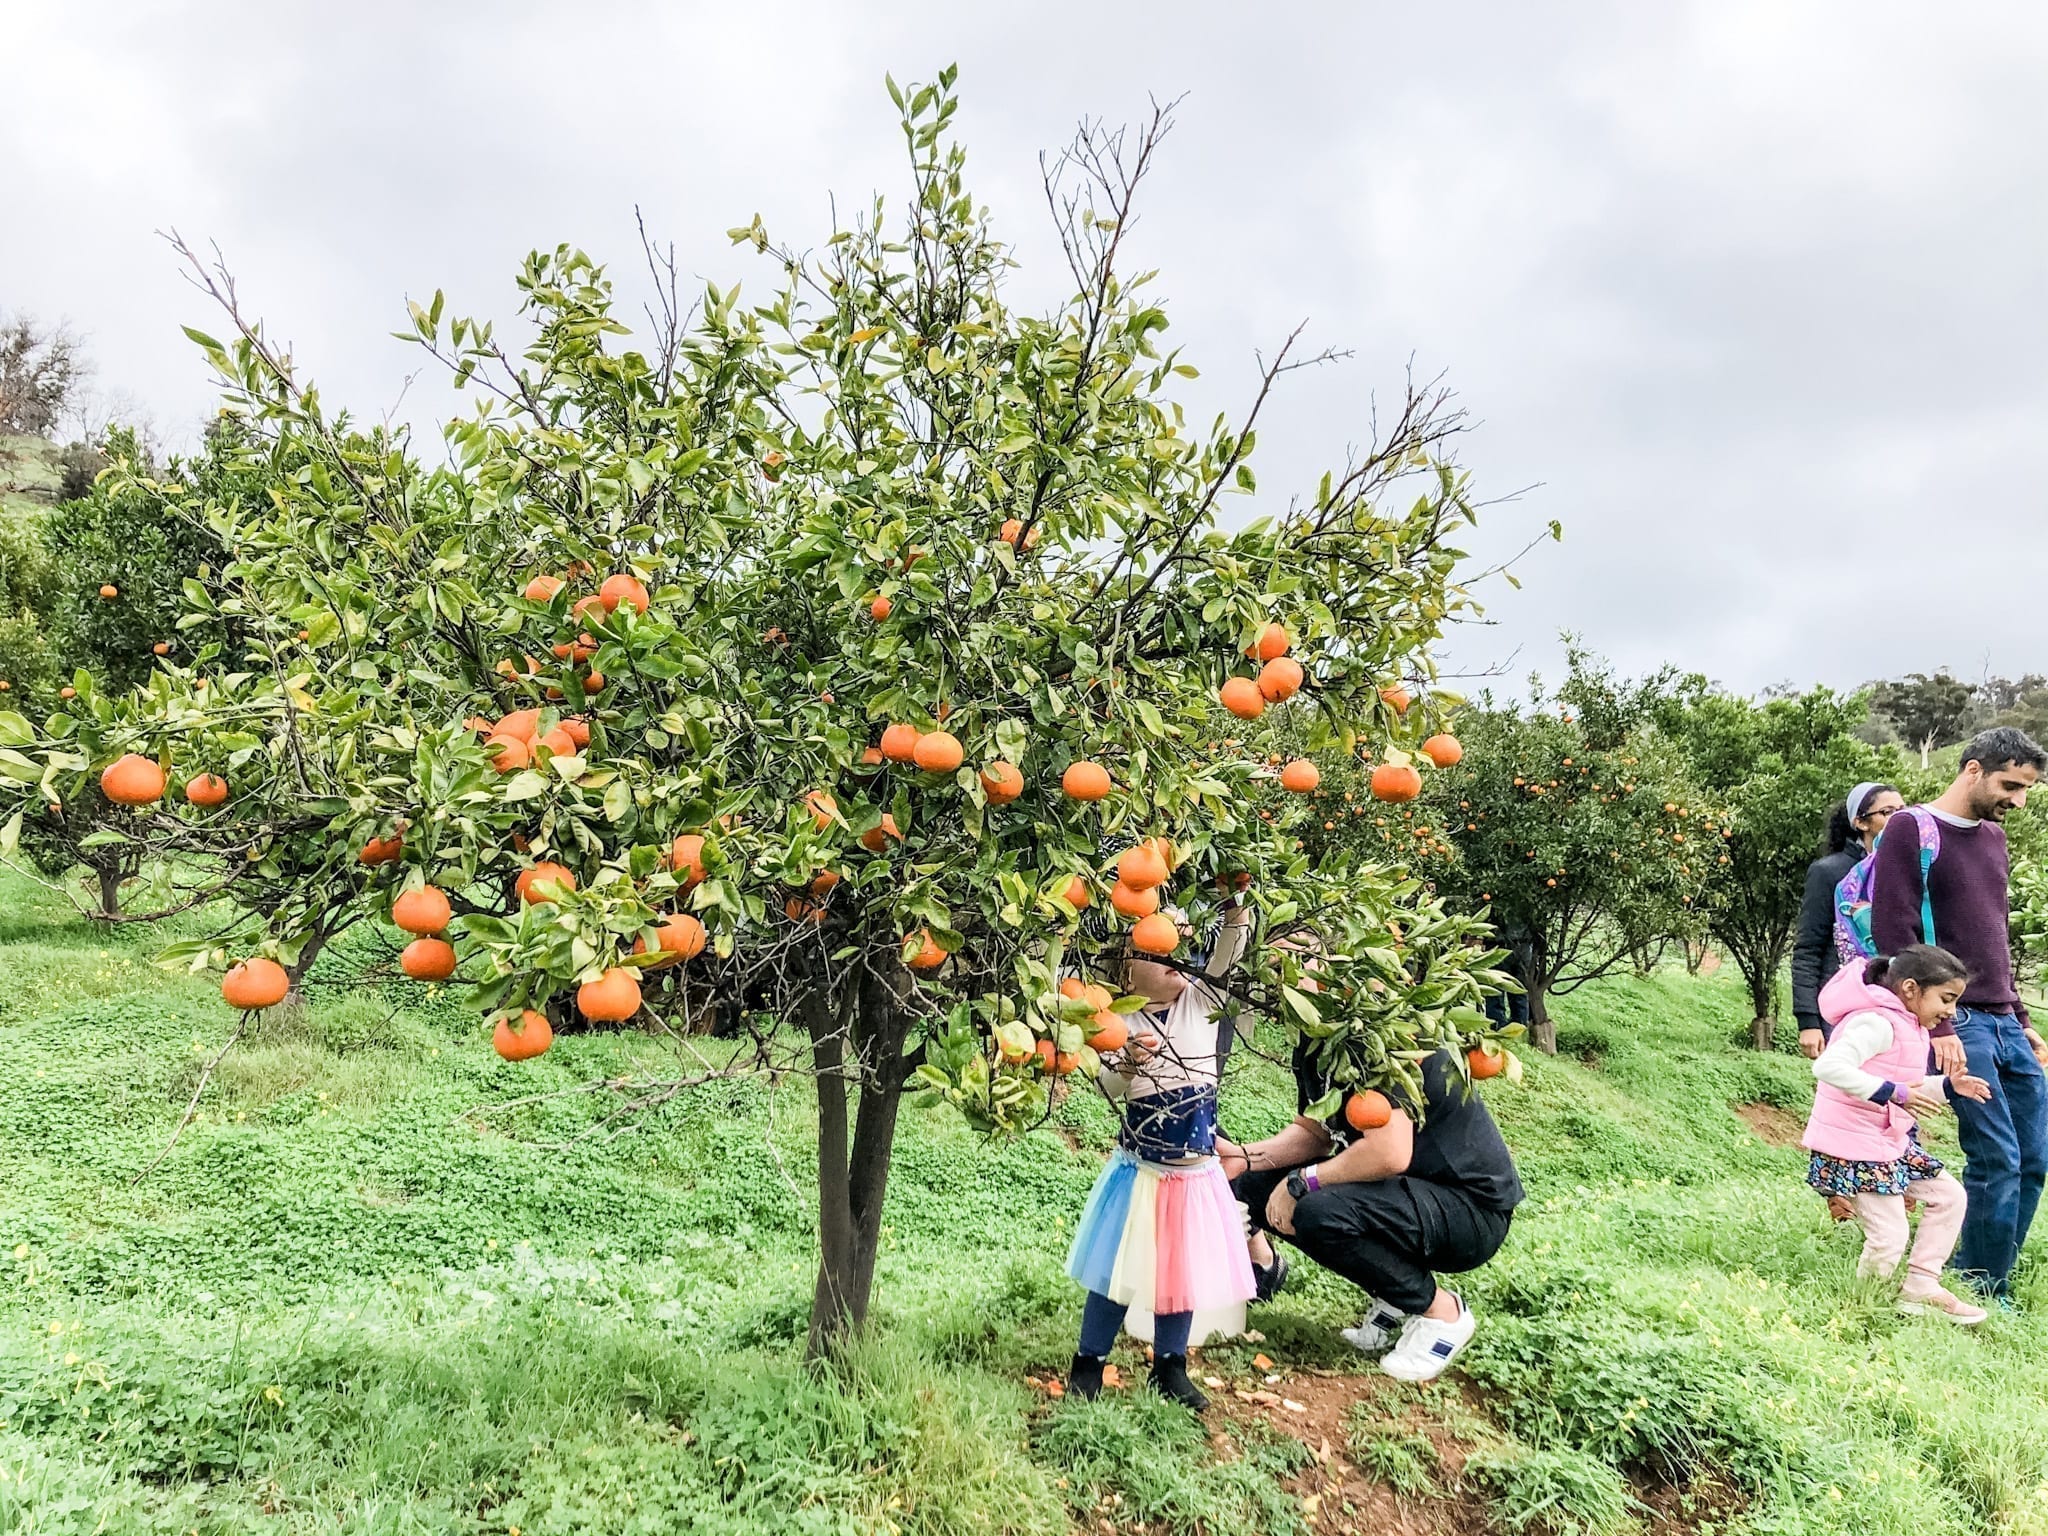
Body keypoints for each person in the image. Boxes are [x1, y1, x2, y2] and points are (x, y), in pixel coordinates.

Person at [1221, 1040, 1524, 1382]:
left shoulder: (1385, 1042)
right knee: (1254, 1186)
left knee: (1320, 1212)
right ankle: (1395, 1296)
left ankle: (1443, 1314)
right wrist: (1245, 1158)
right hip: (1402, 1190)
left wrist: (1303, 1182)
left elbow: (1389, 1153)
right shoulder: (1318, 1040)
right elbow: (1315, 1132)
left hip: (1469, 1210)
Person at [1871, 727, 2048, 1300]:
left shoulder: (1994, 838)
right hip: (1960, 1019)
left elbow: (1993, 937)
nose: (2018, 800)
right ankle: (1981, 1286)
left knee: (2034, 1157)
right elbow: (1893, 935)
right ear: (1972, 769)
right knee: (1996, 1156)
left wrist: (2022, 1019)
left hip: (2003, 1018)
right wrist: (1939, 1026)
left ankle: (1982, 1270)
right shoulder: (1910, 829)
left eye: (2026, 790)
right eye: (2010, 785)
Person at [1065, 896, 1255, 1410]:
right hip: (1141, 1173)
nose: (1174, 959)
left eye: (1179, 947)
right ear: (1128, 971)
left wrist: (1235, 909)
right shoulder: (1117, 1022)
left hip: (1194, 1176)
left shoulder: (1200, 1002)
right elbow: (1107, 1083)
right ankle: (1089, 1363)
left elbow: (1229, 954)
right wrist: (1127, 1058)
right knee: (1114, 1269)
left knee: (1182, 1273)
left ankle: (1170, 1366)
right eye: (1156, 952)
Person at [1804, 946, 1992, 1323]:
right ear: (1910, 988)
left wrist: (1951, 1087)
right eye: (1946, 998)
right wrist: (1895, 1093)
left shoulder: (1910, 1025)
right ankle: (1861, 1310)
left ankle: (1920, 1286)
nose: (1951, 1012)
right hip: (1855, 1147)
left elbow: (1909, 1086)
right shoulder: (1876, 1022)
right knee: (1889, 1235)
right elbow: (1829, 1066)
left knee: (1950, 1195)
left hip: (1886, 1141)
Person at [1792, 781, 1904, 1060]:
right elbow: (1809, 947)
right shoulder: (1830, 873)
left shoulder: (1904, 872)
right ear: (1860, 822)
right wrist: (1808, 1021)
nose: (1898, 819)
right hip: (1845, 1002)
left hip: (1897, 1001)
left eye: (1904, 811)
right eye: (1888, 812)